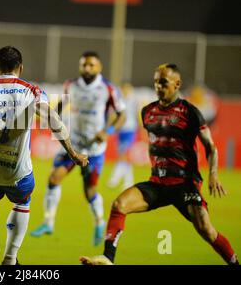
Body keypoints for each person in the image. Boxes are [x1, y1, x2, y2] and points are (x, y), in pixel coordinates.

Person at [80, 64, 239, 265]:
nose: (158, 86)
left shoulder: (190, 112)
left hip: (185, 184)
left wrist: (213, 174)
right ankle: (107, 257)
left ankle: (234, 262)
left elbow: (210, 146)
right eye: (156, 82)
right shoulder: (147, 112)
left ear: (177, 84)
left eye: (163, 82)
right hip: (158, 183)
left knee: (206, 230)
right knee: (119, 205)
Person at [0, 46, 88, 265]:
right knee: (22, 203)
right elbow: (52, 119)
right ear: (20, 68)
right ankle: (9, 259)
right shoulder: (32, 91)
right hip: (18, 172)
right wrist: (73, 153)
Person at [30, 51, 126, 246]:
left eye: (91, 65)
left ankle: (99, 222)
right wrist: (49, 116)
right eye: (84, 65)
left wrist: (107, 131)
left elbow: (121, 115)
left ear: (99, 67)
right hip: (72, 144)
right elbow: (58, 106)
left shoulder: (107, 89)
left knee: (89, 190)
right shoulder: (71, 85)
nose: (87, 68)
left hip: (94, 148)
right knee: (54, 178)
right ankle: (48, 222)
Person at [106, 82, 140, 190]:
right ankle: (127, 181)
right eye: (124, 89)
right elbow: (113, 115)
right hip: (120, 131)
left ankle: (116, 179)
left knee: (123, 155)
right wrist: (111, 128)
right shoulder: (119, 101)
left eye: (127, 89)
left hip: (130, 130)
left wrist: (142, 128)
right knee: (122, 155)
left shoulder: (133, 101)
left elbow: (138, 115)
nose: (125, 91)